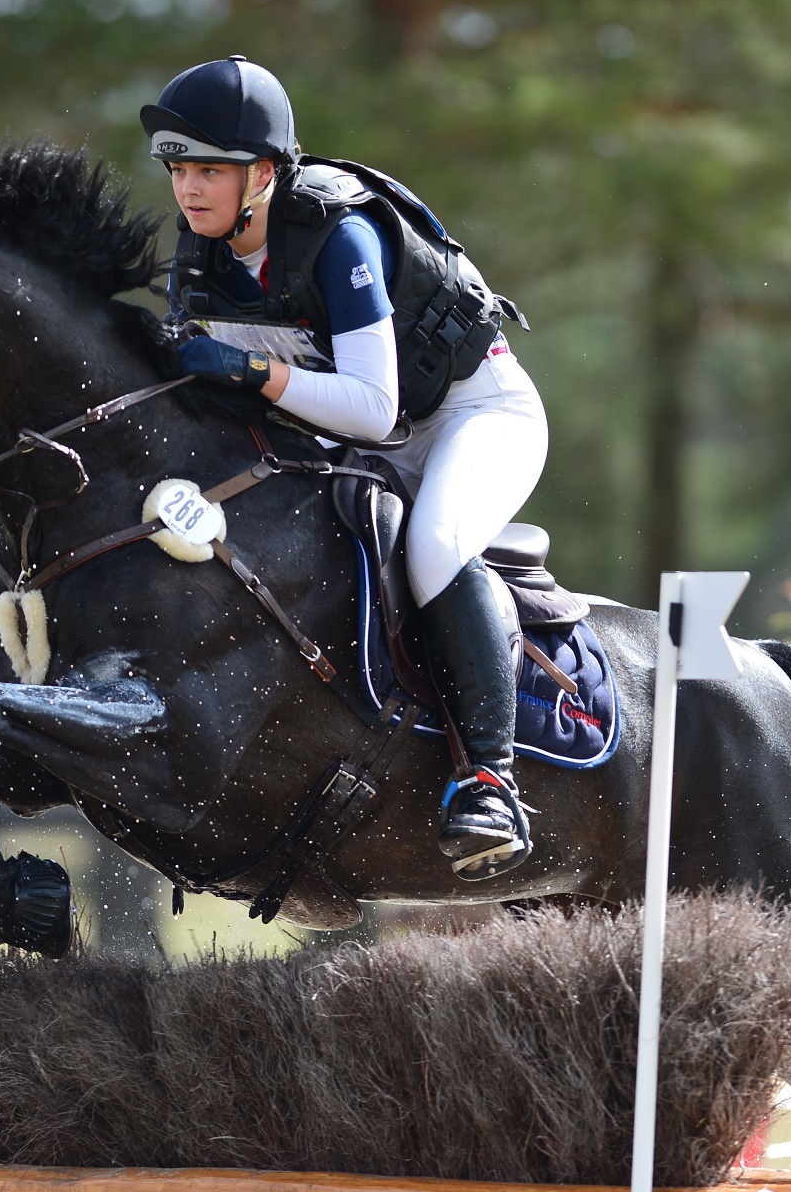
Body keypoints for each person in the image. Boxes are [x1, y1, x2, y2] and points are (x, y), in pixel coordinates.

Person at [141, 55, 548, 879]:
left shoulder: (336, 234)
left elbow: (375, 409)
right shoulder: (201, 253)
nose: (189, 188)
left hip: (475, 416)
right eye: (179, 168)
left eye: (209, 170)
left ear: (263, 173)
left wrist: (251, 372)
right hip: (364, 438)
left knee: (432, 545)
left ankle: (489, 781)